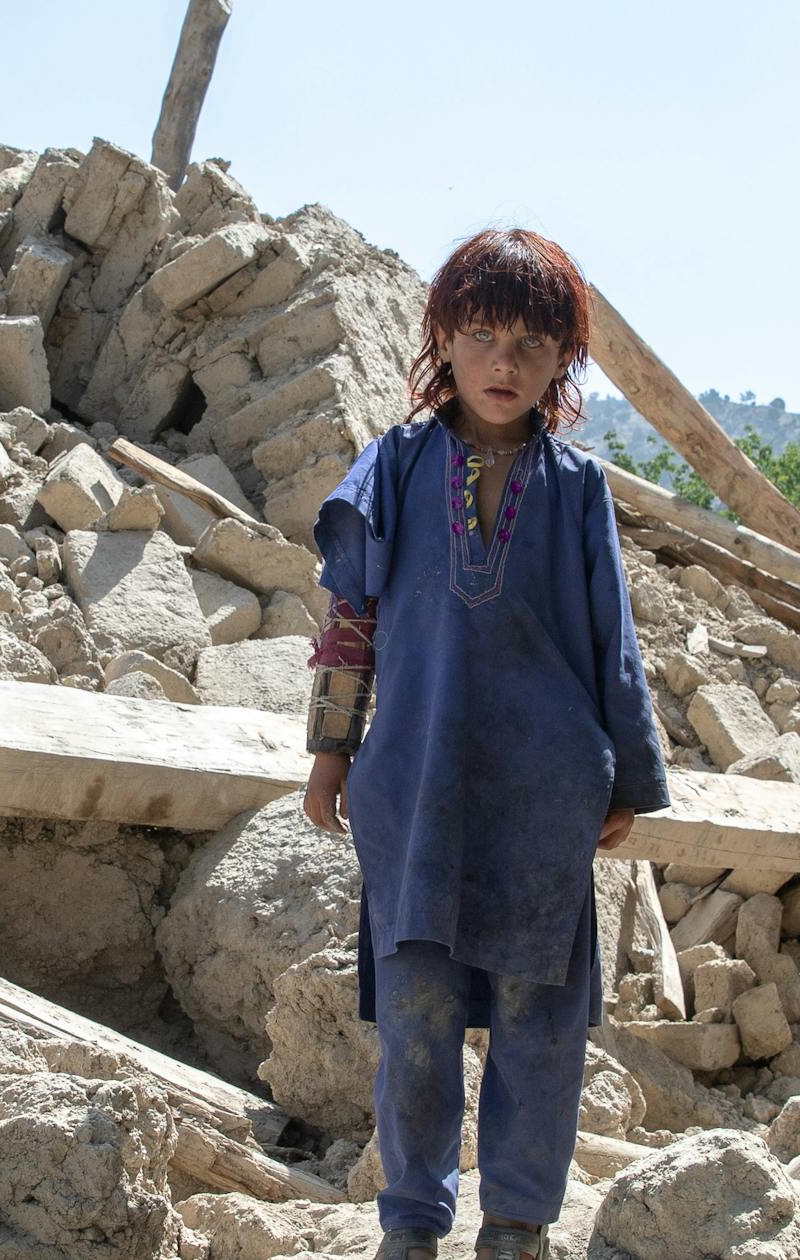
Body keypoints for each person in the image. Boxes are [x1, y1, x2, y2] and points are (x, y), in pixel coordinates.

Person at [299, 228, 672, 1260]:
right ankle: (412, 1225)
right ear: (444, 343)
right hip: (414, 785)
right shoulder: (395, 464)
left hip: (545, 797)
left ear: (563, 358)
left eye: (530, 340)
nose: (504, 362)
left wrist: (629, 778)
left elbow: (613, 643)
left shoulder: (578, 487)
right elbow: (349, 615)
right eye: (481, 335)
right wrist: (332, 753)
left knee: (538, 1024)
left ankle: (515, 1226)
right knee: (416, 1019)